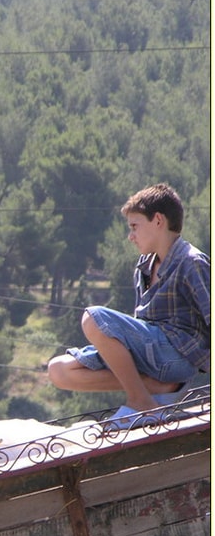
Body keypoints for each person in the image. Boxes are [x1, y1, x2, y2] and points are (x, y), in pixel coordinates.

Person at [47, 183, 210, 427]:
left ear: (157, 220)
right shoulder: (143, 267)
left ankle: (140, 400)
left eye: (135, 226)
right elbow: (142, 326)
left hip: (177, 357)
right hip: (152, 355)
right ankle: (155, 387)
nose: (130, 236)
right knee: (58, 370)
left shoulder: (191, 262)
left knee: (93, 318)